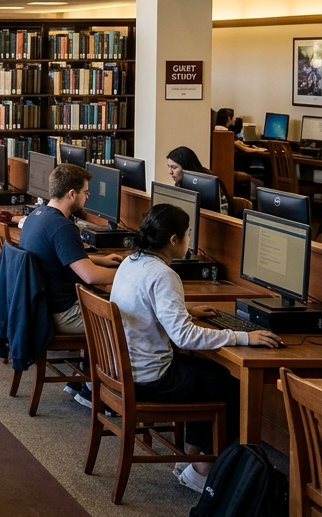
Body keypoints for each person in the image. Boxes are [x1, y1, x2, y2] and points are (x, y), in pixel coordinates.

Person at [109, 204, 281, 492]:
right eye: (188, 234)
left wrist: (185, 310)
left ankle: (188, 459)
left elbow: (147, 306)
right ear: (174, 240)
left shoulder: (132, 261)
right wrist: (243, 338)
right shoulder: (164, 275)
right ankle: (202, 470)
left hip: (123, 369)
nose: (190, 240)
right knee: (231, 385)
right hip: (150, 378)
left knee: (207, 373)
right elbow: (184, 338)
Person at [17, 164, 122, 340]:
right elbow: (91, 277)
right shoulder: (63, 227)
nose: (87, 197)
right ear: (72, 194)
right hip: (61, 313)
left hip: (39, 306)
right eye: (86, 192)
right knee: (130, 320)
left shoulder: (37, 215)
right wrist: (128, 274)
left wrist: (100, 260)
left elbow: (58, 257)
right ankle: (103, 366)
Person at [165, 146, 231, 215]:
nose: (170, 171)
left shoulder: (209, 182)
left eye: (174, 167)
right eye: (168, 166)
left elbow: (224, 212)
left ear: (186, 166)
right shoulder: (179, 182)